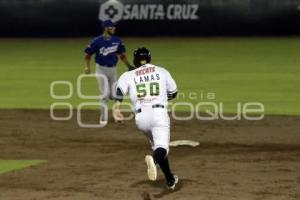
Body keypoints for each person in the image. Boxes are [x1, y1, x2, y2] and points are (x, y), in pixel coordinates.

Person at [113, 47, 179, 190]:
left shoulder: (128, 75)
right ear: (149, 58)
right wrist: (160, 96)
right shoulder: (162, 71)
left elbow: (119, 92)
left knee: (157, 146)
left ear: (136, 60)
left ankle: (170, 180)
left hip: (141, 119)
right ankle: (154, 160)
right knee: (162, 148)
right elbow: (173, 93)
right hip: (158, 114)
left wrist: (117, 108)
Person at [84, 19, 134, 125]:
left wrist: (129, 66)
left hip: (113, 70)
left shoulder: (117, 40)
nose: (114, 28)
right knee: (105, 95)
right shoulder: (97, 41)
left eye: (114, 27)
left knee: (115, 95)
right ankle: (103, 118)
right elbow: (87, 55)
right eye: (112, 27)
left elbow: (122, 55)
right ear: (106, 28)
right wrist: (87, 67)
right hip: (101, 70)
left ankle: (117, 114)